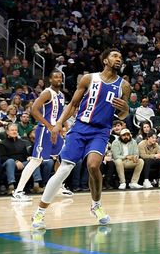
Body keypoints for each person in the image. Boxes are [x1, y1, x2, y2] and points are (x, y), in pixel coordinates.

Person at [31, 49, 130, 230]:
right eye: (115, 56)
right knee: (64, 170)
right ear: (105, 60)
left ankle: (96, 205)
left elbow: (122, 116)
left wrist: (126, 109)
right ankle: (40, 212)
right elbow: (73, 104)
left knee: (93, 165)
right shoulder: (89, 79)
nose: (119, 59)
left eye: (120, 57)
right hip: (80, 128)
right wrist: (59, 123)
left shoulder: (124, 86)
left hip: (101, 131)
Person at [13, 70, 69, 202]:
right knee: (36, 160)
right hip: (45, 130)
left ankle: (59, 187)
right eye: (55, 77)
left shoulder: (61, 94)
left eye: (60, 77)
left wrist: (65, 126)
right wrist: (49, 126)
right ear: (50, 79)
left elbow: (61, 113)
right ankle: (18, 191)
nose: (58, 79)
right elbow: (34, 110)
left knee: (61, 158)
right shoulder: (46, 93)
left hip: (56, 130)